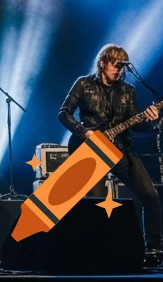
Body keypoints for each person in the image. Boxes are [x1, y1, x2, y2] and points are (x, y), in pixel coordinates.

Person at [59, 44, 162, 268]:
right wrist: (83, 131)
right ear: (103, 63)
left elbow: (136, 125)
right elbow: (63, 113)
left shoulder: (127, 91)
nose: (119, 70)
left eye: (122, 67)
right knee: (95, 204)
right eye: (115, 65)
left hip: (121, 150)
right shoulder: (84, 84)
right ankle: (94, 252)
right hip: (92, 150)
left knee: (151, 196)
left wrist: (152, 120)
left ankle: (154, 250)